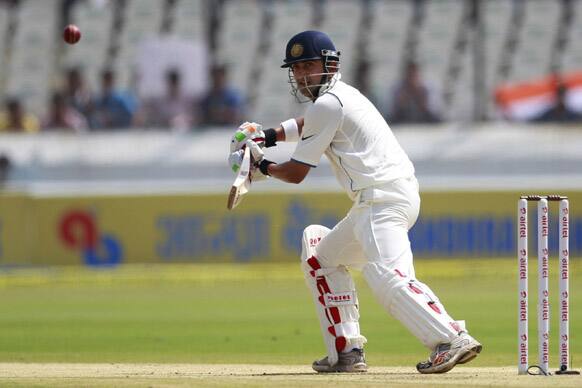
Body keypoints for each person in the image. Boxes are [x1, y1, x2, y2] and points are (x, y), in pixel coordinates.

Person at [228, 30, 482, 374]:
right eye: (297, 68)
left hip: (382, 198)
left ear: (330, 64)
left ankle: (452, 338)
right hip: (382, 198)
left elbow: (297, 172)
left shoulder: (329, 102)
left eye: (309, 65)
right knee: (320, 256)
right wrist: (269, 136)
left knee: (386, 274)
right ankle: (345, 351)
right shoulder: (341, 97)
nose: (303, 74)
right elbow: (307, 125)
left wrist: (260, 166)